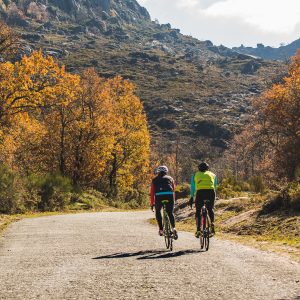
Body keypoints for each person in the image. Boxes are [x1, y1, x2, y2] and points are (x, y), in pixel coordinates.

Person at [190, 162, 217, 238]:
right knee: (210, 209)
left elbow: (192, 187)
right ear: (208, 168)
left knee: (198, 211)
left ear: (198, 168)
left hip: (200, 193)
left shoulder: (195, 175)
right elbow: (214, 187)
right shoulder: (213, 175)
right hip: (211, 192)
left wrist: (192, 197)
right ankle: (212, 224)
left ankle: (198, 229)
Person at [150, 165, 178, 239]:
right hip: (169, 195)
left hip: (159, 196)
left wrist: (152, 203)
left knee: (158, 211)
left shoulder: (154, 180)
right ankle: (173, 228)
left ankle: (161, 230)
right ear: (166, 172)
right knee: (170, 212)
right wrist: (173, 200)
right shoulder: (170, 178)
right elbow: (173, 190)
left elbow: (152, 192)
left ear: (158, 172)